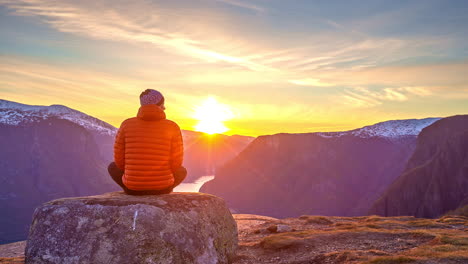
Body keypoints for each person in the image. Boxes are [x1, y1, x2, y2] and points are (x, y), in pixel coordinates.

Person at [108, 89, 187, 195]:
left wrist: (134, 174)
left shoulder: (126, 125)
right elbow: (177, 163)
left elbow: (119, 160)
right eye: (163, 104)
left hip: (132, 189)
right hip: (162, 189)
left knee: (112, 167)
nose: (164, 107)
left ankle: (133, 188)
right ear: (159, 105)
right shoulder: (172, 126)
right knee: (182, 171)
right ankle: (161, 188)